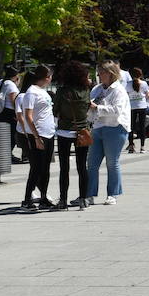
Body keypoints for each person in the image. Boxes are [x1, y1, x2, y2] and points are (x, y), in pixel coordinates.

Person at [87, 61, 131, 205]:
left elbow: (117, 111)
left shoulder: (118, 90)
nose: (99, 75)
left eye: (102, 72)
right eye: (98, 72)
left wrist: (97, 107)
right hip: (98, 127)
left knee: (112, 162)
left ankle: (113, 193)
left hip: (115, 127)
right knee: (92, 163)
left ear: (111, 74)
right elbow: (89, 106)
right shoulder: (97, 89)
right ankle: (89, 194)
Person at [54, 61, 92, 210]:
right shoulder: (86, 91)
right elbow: (88, 107)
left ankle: (63, 200)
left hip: (64, 131)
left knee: (64, 168)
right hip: (82, 131)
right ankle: (83, 199)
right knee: (82, 167)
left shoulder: (62, 92)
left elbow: (55, 111)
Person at [18, 66, 55, 212]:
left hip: (49, 133)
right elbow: (28, 116)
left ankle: (44, 198)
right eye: (50, 75)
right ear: (46, 76)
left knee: (45, 169)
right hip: (39, 135)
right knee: (36, 169)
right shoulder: (31, 92)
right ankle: (27, 200)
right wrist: (36, 137)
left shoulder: (42, 91)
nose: (51, 78)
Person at [0, 67, 22, 163]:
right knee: (12, 134)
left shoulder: (1, 82)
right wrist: (17, 112)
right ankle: (8, 155)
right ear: (15, 76)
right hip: (10, 112)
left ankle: (2, 154)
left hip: (0, 112)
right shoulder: (11, 85)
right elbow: (13, 100)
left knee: (1, 134)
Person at [126, 68, 149, 153]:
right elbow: (148, 94)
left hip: (131, 107)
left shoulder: (128, 84)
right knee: (142, 127)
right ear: (140, 75)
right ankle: (142, 147)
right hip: (142, 106)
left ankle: (131, 146)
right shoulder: (144, 83)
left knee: (131, 127)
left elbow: (126, 94)